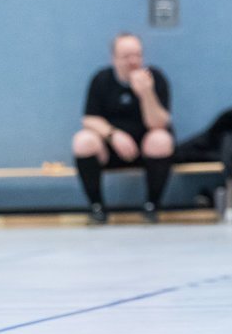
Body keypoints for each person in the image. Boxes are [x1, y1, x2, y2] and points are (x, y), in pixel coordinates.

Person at [71, 33, 174, 224]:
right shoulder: (101, 79)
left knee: (161, 139)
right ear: (114, 58)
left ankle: (152, 206)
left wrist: (146, 93)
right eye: (126, 56)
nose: (133, 61)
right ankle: (97, 207)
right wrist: (113, 135)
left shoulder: (155, 78)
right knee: (83, 141)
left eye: (137, 55)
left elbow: (159, 123)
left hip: (145, 149)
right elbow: (89, 119)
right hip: (112, 148)